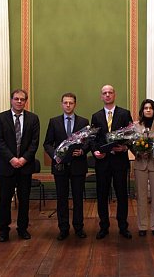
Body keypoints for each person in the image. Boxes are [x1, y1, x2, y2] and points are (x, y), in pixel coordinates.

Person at [0, 89, 40, 242]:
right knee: (5, 200)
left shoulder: (33, 119)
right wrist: (12, 159)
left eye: (22, 99)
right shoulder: (0, 118)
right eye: (16, 99)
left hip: (25, 167)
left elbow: (34, 143)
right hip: (7, 166)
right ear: (11, 100)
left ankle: (22, 228)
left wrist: (24, 159)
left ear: (26, 101)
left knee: (24, 199)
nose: (19, 101)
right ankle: (3, 230)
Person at [43, 93, 89, 241]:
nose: (68, 105)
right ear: (61, 104)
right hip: (60, 166)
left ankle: (79, 227)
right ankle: (63, 229)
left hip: (78, 166)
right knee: (61, 199)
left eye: (71, 103)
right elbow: (47, 143)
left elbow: (88, 142)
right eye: (65, 103)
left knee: (78, 198)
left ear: (75, 104)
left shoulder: (83, 121)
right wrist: (55, 155)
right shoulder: (54, 122)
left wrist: (82, 150)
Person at [91, 85, 133, 239]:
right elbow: (93, 139)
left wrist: (125, 147)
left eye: (110, 92)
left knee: (122, 195)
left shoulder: (124, 113)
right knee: (102, 195)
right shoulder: (96, 116)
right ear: (101, 96)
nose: (107, 95)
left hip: (120, 162)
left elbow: (131, 136)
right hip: (102, 162)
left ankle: (123, 226)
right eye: (104, 93)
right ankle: (104, 227)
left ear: (114, 94)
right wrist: (95, 152)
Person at [131, 99, 154, 237]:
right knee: (141, 197)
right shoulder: (135, 126)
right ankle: (143, 226)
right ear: (142, 110)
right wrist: (137, 152)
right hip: (140, 164)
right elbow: (131, 144)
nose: (148, 110)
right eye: (145, 108)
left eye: (150, 108)